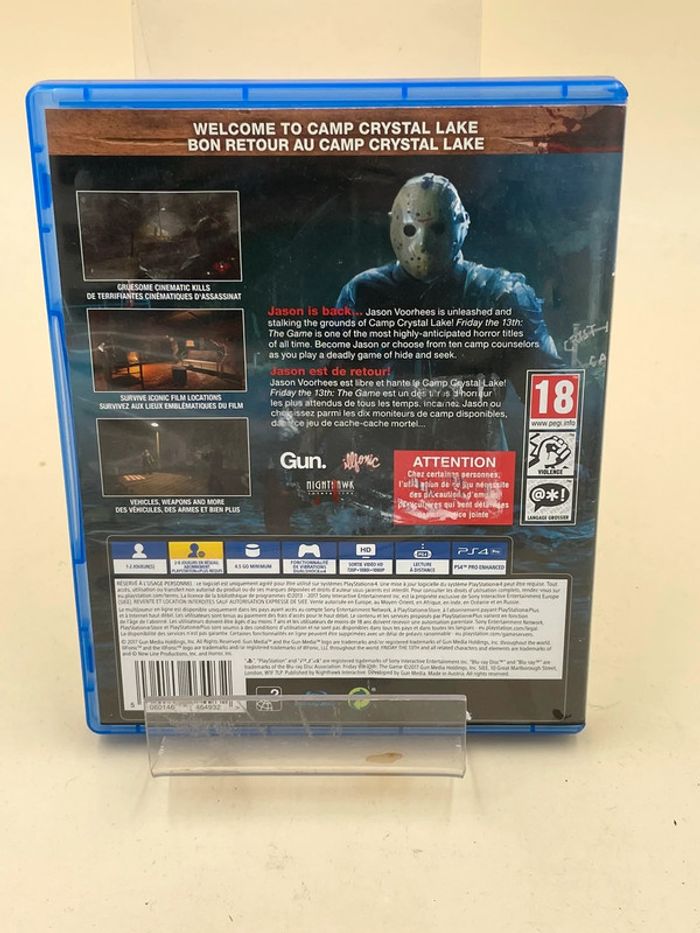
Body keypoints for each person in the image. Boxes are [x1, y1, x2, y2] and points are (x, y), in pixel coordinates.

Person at [336, 172, 560, 401]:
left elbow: (549, 392)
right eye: (410, 229)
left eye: (437, 228)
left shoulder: (501, 294)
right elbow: (331, 389)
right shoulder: (362, 292)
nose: (422, 245)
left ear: (463, 225)